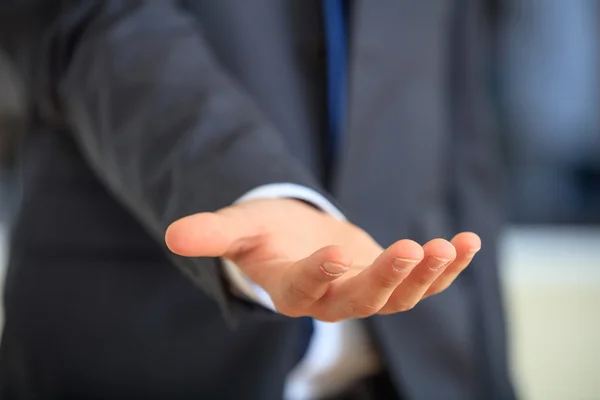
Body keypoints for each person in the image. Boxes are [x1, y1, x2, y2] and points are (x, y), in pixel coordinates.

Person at [0, 1, 515, 399]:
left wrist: (489, 373)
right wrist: (248, 184)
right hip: (141, 349)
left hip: (418, 367)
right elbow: (93, 18)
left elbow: (459, 117)